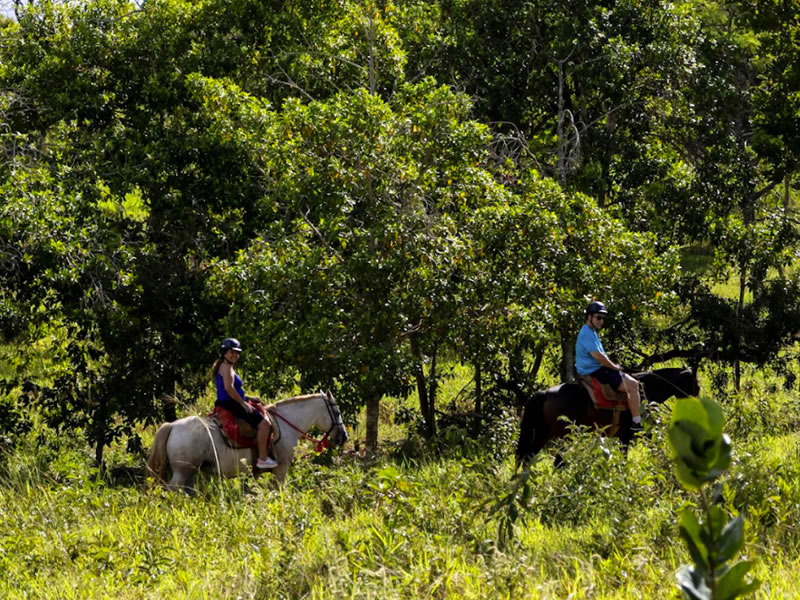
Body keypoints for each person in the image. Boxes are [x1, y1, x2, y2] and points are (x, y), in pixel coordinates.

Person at [575, 301, 643, 432]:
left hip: (596, 368)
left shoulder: (591, 331)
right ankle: (636, 422)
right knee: (633, 385)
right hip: (595, 371)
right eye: (598, 317)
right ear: (589, 317)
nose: (601, 321)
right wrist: (614, 367)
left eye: (603, 318)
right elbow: (598, 357)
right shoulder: (587, 333)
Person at [212, 337, 278, 469]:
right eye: (232, 352)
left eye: (237, 353)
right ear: (224, 352)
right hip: (232, 404)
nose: (235, 355)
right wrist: (243, 403)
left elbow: (232, 390)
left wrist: (250, 398)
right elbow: (229, 388)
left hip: (228, 402)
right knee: (265, 424)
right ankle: (263, 459)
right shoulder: (227, 367)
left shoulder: (224, 366)